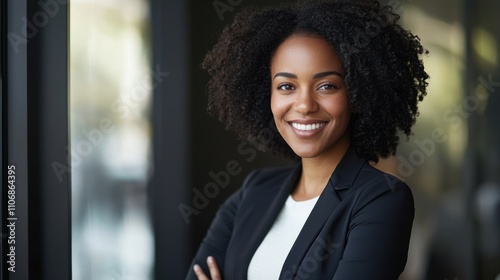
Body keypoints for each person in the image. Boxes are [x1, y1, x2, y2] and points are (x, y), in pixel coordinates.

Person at [186, 0, 429, 279]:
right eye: (286, 86)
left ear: (358, 93)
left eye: (326, 86)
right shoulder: (254, 191)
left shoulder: (381, 199)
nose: (304, 105)